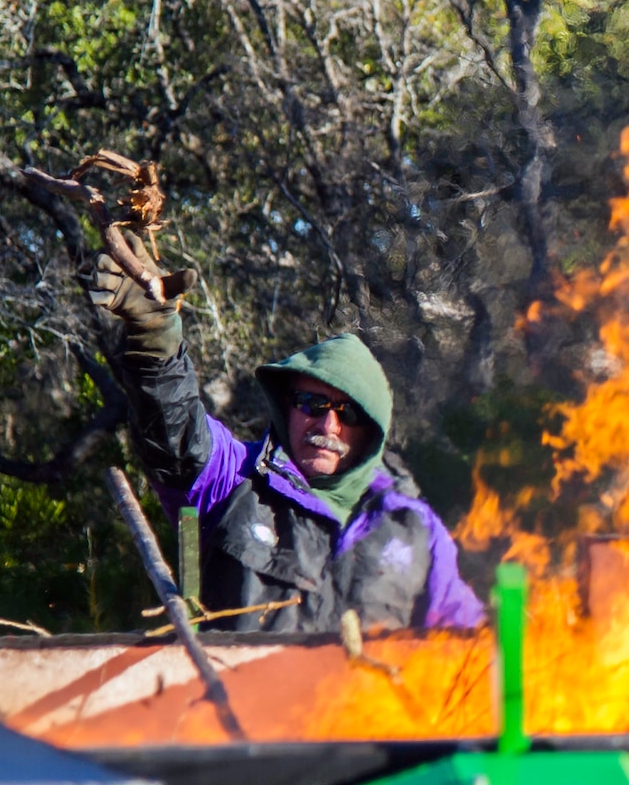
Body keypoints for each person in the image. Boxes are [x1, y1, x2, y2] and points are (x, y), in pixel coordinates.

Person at [88, 233, 485, 633]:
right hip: (232, 693)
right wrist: (154, 336)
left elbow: (467, 641)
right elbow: (174, 431)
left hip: (369, 697)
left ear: (372, 432)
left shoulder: (413, 527)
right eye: (313, 405)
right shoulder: (233, 480)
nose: (328, 426)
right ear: (286, 407)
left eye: (347, 414)